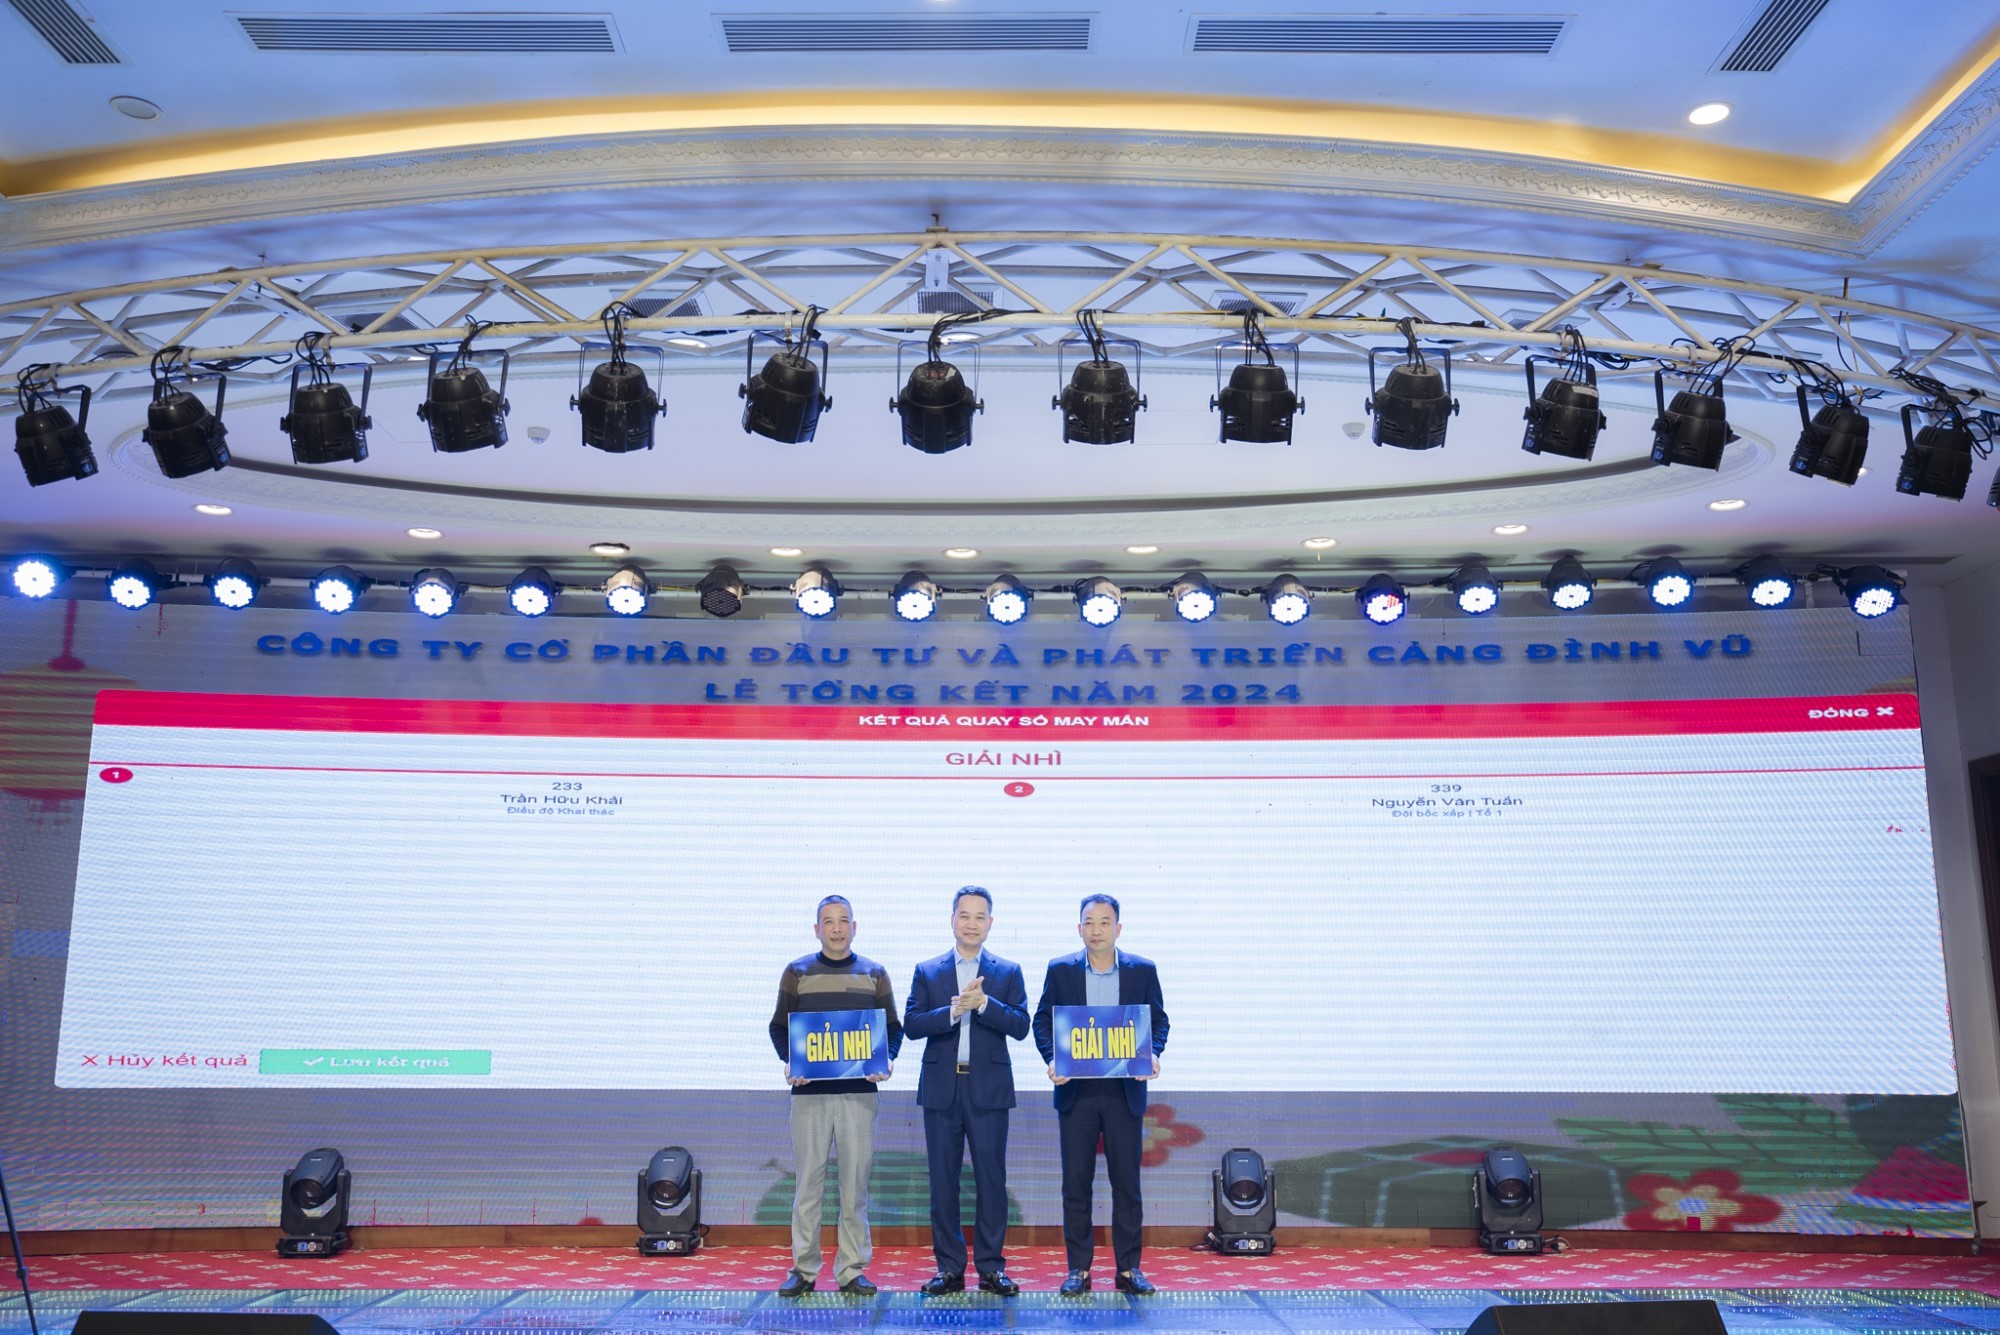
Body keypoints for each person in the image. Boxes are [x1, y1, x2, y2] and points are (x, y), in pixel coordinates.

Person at [1032, 892, 1169, 1297]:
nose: (1097, 931)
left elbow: (1158, 1021)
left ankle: (1128, 1268)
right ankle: (1078, 1269)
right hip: (1076, 1092)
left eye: (1105, 923)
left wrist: (1153, 1053)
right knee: (1076, 1184)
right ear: (1079, 928)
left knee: (1127, 1185)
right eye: (1089, 923)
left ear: (1118, 928)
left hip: (1124, 1092)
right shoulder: (1060, 970)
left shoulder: (1143, 971)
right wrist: (1052, 1059)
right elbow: (1043, 1022)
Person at [767, 894, 902, 1297]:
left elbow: (893, 1029)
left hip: (859, 1096)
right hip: (809, 1097)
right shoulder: (797, 972)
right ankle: (804, 1269)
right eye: (829, 921)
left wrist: (886, 1059)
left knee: (854, 1186)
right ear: (817, 929)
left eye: (844, 921)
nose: (837, 928)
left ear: (854, 927)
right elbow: (779, 1028)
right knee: (808, 1185)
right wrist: (790, 1062)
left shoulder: (874, 973)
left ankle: (851, 1269)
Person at [904, 886, 1030, 1297]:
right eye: (964, 915)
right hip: (942, 1089)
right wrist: (954, 1010)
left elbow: (1021, 1025)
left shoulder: (1007, 972)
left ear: (990, 923)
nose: (971, 924)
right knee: (943, 1182)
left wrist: (984, 1005)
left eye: (980, 917)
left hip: (988, 1090)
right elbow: (912, 1024)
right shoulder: (928, 971)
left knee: (991, 1180)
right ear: (952, 920)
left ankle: (991, 1268)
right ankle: (949, 1268)